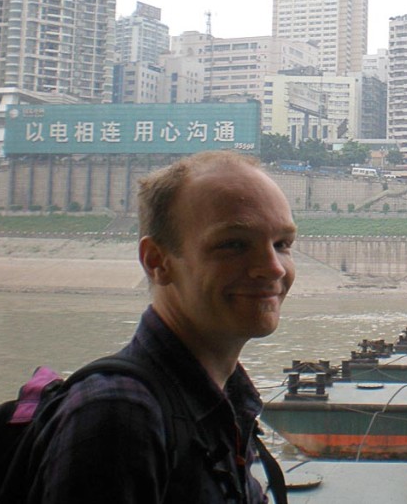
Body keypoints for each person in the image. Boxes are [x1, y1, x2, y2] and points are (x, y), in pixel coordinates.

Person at [24, 150, 296, 503]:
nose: (273, 268)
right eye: (233, 245)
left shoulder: (223, 401)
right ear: (157, 261)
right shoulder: (119, 416)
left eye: (282, 244)